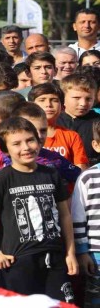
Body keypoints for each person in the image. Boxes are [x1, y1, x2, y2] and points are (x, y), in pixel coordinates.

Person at [0, 117, 77, 303]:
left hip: (55, 258)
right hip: (18, 260)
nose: (26, 147)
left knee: (62, 304)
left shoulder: (51, 174)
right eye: (16, 143)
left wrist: (70, 253)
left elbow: (64, 215)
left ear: (39, 141)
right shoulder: (3, 178)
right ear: (5, 149)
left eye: (30, 140)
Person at [70, 120, 100, 306]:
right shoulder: (88, 177)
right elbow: (77, 217)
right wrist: (82, 251)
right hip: (97, 253)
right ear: (96, 145)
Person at [29, 83, 89, 170]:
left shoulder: (71, 136)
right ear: (30, 105)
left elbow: (81, 170)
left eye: (54, 100)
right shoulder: (23, 135)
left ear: (62, 107)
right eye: (42, 100)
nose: (48, 104)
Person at [56, 73, 100, 165]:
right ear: (63, 97)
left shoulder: (97, 121)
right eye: (76, 98)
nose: (83, 103)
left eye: (88, 99)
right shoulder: (53, 121)